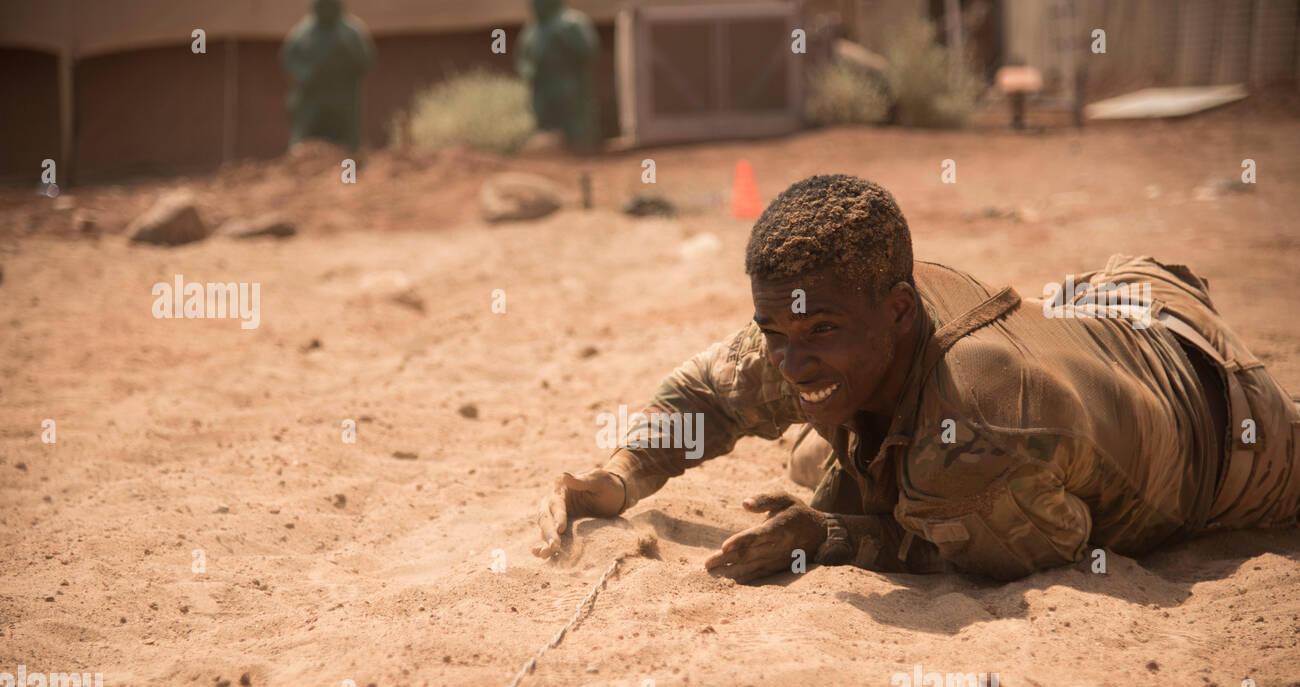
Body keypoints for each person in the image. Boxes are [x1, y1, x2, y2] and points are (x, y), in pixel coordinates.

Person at [533, 174, 1300, 581]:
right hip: (1107, 299)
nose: (791, 360)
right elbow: (709, 394)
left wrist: (828, 535)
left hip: (1225, 417)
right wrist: (618, 477)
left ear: (900, 310)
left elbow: (1040, 551)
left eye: (816, 334)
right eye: (775, 332)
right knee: (820, 447)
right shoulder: (835, 306)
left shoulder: (974, 438)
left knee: (872, 472)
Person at [281, 0, 374, 152]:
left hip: (342, 97)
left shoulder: (350, 33)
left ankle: (351, 167)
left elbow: (365, 61)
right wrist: (307, 75)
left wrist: (345, 66)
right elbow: (289, 59)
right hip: (311, 97)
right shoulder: (303, 33)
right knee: (304, 144)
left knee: (348, 146)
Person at [516, 0, 600, 148]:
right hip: (542, 88)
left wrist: (564, 39)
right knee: (546, 129)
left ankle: (581, 149)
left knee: (575, 126)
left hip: (568, 85)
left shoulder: (571, 23)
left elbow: (589, 49)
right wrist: (528, 72)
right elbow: (523, 57)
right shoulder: (532, 30)